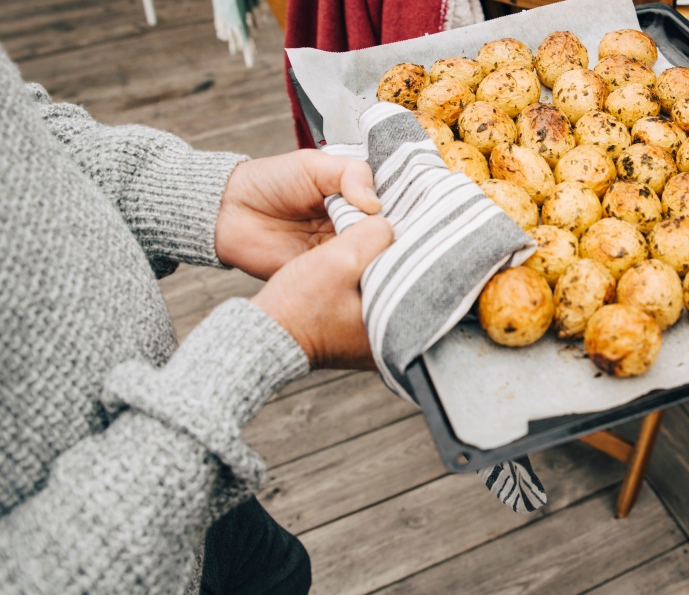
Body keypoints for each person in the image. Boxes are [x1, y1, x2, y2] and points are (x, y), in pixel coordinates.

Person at [0, 48, 394, 594]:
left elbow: (21, 129)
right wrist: (262, 349)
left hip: (192, 467)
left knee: (284, 573)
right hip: (133, 509)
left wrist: (204, 196)